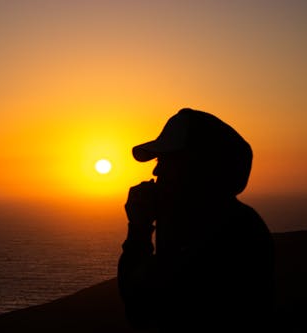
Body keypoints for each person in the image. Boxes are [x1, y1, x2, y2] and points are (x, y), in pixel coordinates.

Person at [117, 108, 276, 332]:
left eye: (167, 160)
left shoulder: (222, 233)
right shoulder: (230, 220)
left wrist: (139, 229)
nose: (156, 170)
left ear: (199, 166)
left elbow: (140, 306)